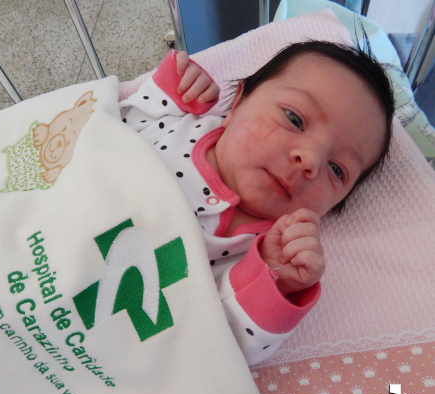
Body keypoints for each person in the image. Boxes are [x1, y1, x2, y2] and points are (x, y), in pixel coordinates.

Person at [119, 40, 394, 365]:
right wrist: (167, 90)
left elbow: (216, 343)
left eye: (337, 170)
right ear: (237, 103)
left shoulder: (264, 255)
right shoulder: (175, 123)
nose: (310, 160)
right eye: (294, 119)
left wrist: (276, 281)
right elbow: (107, 131)